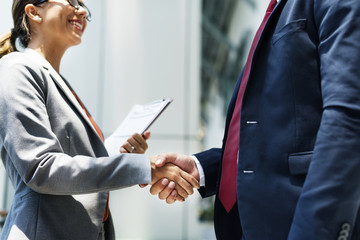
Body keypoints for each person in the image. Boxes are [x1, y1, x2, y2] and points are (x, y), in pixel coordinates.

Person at [150, 0, 360, 239]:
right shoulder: (276, 12)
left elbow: (347, 120)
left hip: (298, 223)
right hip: (246, 225)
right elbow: (274, 140)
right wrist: (201, 168)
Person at [0, 0, 199, 239]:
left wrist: (119, 156)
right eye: (71, 2)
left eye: (83, 6)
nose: (82, 10)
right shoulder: (16, 69)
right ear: (34, 12)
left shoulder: (59, 83)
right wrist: (142, 167)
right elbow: (42, 168)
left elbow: (75, 163)